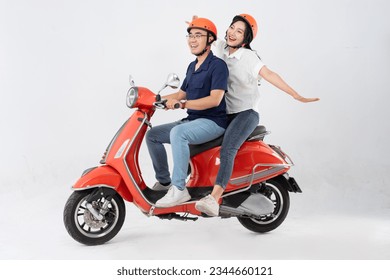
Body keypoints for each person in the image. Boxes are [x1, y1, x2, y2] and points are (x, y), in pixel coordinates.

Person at [194, 14, 320, 216]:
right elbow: (206, 38)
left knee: (228, 149)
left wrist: (295, 94)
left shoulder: (249, 57)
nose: (232, 33)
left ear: (246, 39)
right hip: (224, 114)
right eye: (232, 27)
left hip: (246, 114)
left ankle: (213, 199)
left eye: (239, 31)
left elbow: (269, 74)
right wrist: (196, 27)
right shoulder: (221, 48)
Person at [146, 18, 229, 207]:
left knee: (178, 133)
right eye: (190, 35)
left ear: (210, 40)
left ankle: (179, 189)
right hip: (192, 120)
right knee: (152, 135)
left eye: (198, 35)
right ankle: (165, 183)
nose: (192, 39)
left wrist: (182, 104)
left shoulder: (217, 66)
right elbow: (181, 93)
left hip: (213, 123)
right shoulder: (192, 67)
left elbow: (215, 99)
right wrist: (154, 99)